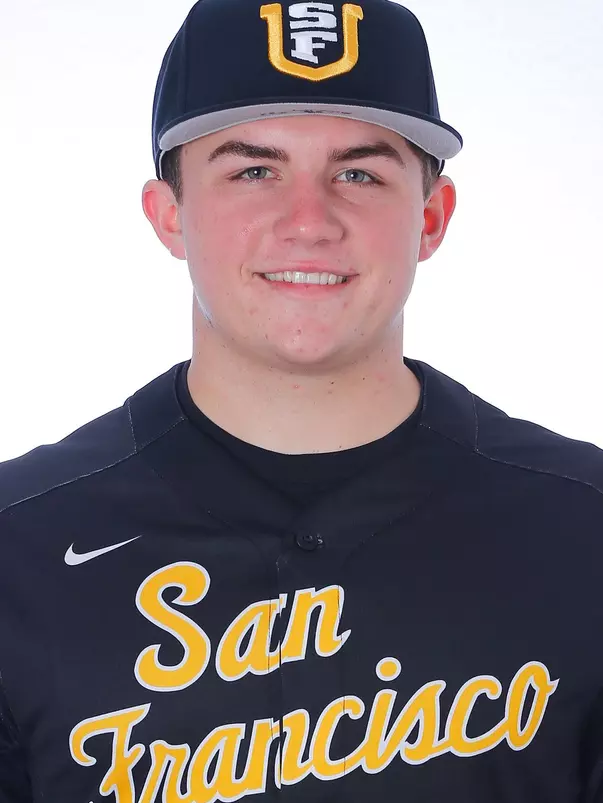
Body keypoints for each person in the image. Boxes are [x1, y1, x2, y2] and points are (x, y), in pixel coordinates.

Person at [1, 0, 603, 800]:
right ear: (169, 215)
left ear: (430, 216)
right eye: (253, 170)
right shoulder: (19, 550)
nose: (309, 222)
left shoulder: (583, 530)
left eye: (358, 172)